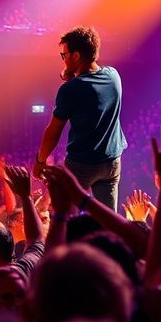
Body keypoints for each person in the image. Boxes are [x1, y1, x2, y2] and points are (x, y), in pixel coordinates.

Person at [33, 26, 127, 211]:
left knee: (62, 214)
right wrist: (73, 76)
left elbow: (53, 132)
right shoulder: (113, 75)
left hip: (82, 164)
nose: (63, 58)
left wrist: (40, 161)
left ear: (76, 56)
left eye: (64, 54)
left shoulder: (70, 89)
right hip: (112, 161)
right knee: (107, 217)